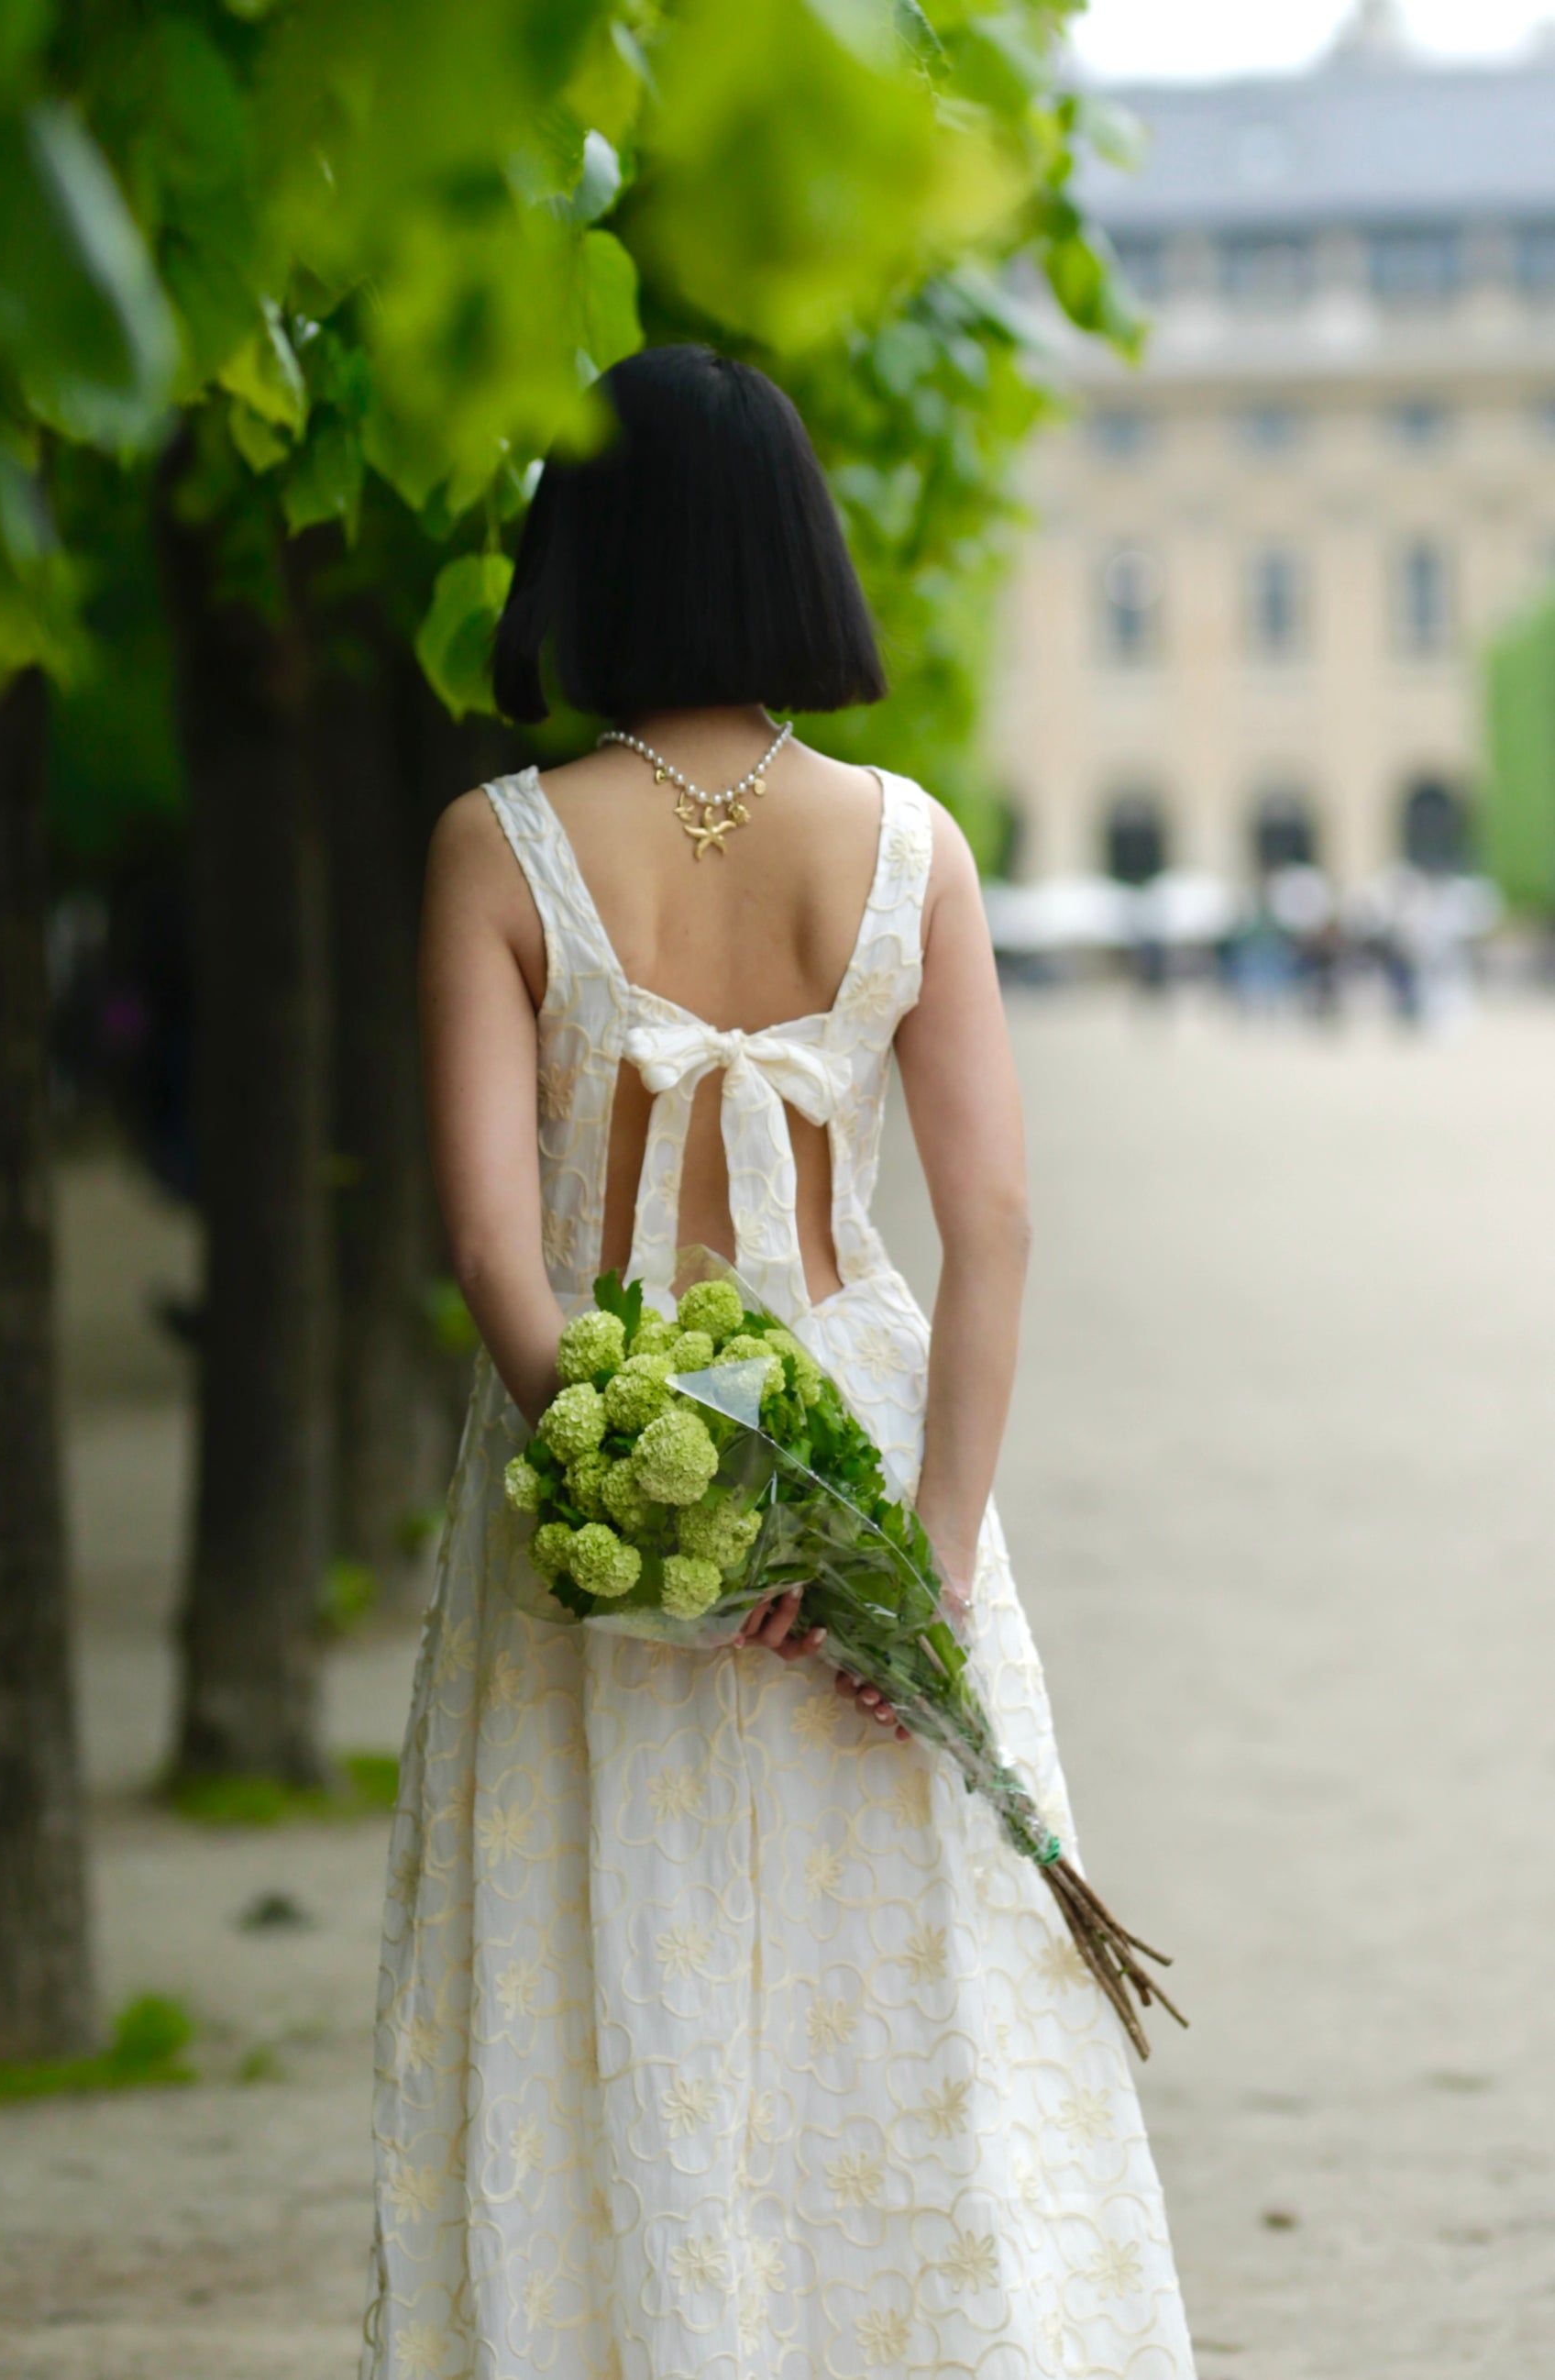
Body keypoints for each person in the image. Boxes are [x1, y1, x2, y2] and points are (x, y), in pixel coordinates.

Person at [363, 345, 1196, 2377]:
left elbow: (489, 1245)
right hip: (869, 1430)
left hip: (587, 1454)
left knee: (599, 1961)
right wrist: (910, 1549)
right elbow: (988, 1221)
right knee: (907, 1978)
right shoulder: (907, 843)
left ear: (588, 553)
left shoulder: (498, 844)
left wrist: (637, 1479)